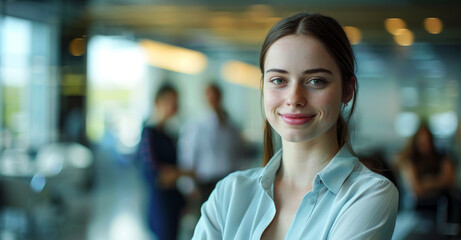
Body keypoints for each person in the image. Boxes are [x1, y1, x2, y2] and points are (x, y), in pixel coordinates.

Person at [192, 12, 399, 239]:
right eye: (279, 80)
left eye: (315, 81)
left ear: (347, 90)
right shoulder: (229, 193)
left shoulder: (368, 194)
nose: (294, 98)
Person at [178, 83, 244, 203]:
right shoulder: (196, 125)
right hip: (206, 183)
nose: (213, 100)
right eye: (210, 96)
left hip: (228, 179)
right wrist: (188, 186)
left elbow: (237, 153)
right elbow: (188, 156)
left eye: (216, 96)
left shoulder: (231, 125)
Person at [137, 84, 186, 240]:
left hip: (174, 201)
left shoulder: (170, 135)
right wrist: (185, 173)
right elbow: (157, 175)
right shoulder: (149, 133)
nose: (175, 106)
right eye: (171, 100)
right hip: (160, 204)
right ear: (158, 102)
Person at [395, 122, 455, 216]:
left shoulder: (442, 158)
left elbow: (449, 182)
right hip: (417, 210)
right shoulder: (410, 162)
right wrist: (437, 181)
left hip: (444, 207)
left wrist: (426, 183)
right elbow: (417, 190)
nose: (425, 144)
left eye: (427, 140)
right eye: (421, 141)